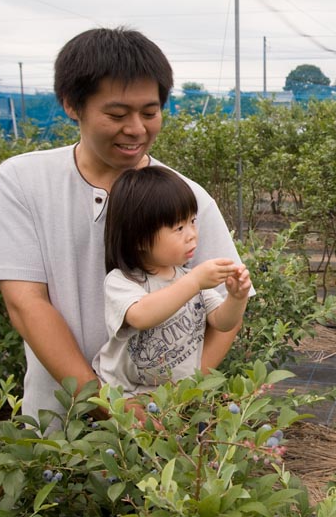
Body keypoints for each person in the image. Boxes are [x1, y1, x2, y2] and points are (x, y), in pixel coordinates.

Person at [0, 26, 247, 423]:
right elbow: (25, 303)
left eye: (150, 113)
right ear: (72, 104)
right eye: (117, 114)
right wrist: (107, 406)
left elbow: (222, 317)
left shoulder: (185, 198)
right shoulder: (23, 181)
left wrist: (170, 403)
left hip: (161, 432)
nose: (136, 129)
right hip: (58, 422)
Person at [92, 166, 251, 398]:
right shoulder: (123, 281)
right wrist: (196, 282)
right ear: (139, 238)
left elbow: (222, 322)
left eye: (193, 221)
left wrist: (237, 298)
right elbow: (141, 316)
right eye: (178, 227)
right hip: (124, 396)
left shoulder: (188, 278)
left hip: (172, 399)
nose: (192, 234)